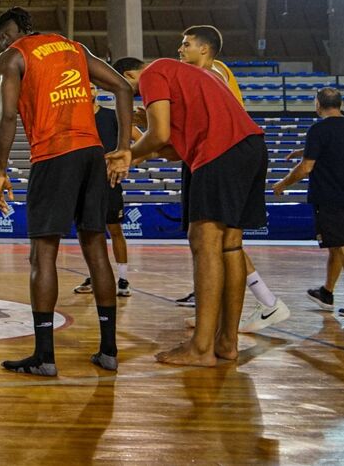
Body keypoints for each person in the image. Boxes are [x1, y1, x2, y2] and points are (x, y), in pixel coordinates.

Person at [0, 7, 134, 376]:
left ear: (9, 35)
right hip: (92, 153)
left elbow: (8, 115)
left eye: (3, 37)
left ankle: (44, 356)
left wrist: (1, 169)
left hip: (54, 154)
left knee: (42, 255)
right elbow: (123, 86)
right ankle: (108, 351)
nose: (4, 42)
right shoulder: (73, 48)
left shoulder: (13, 56)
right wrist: (121, 148)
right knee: (95, 249)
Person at [111, 57, 267, 366]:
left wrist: (126, 152)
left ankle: (200, 348)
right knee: (230, 246)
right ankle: (226, 341)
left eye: (124, 88)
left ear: (129, 75)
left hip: (220, 150)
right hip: (249, 146)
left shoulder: (153, 72)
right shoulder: (186, 77)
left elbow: (159, 135)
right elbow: (173, 150)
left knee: (204, 241)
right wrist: (141, 146)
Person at [175, 25, 289, 331]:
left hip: (219, 152)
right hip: (228, 150)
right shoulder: (215, 72)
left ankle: (265, 304)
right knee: (225, 242)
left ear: (204, 49)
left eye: (186, 44)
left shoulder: (208, 75)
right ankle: (229, 311)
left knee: (213, 240)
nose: (180, 49)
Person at [272, 88, 344, 317]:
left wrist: (282, 184)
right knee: (338, 245)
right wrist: (304, 150)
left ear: (318, 104)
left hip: (330, 198)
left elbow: (306, 167)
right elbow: (337, 150)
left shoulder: (318, 129)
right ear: (340, 104)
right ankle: (327, 292)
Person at [75, 94, 135, 298]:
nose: (88, 89)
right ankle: (95, 275)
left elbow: (139, 139)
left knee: (115, 229)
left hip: (109, 183)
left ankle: (123, 277)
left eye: (92, 85)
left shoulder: (112, 116)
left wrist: (124, 162)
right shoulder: (75, 117)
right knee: (90, 231)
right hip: (84, 182)